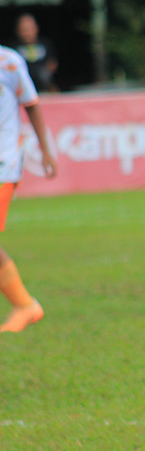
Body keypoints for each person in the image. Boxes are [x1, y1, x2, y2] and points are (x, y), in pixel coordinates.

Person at [1, 44, 58, 332]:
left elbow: (32, 104)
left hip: (3, 164)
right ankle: (25, 305)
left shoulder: (8, 62)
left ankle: (25, 305)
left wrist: (46, 150)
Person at [12, 14, 58, 93]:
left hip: (44, 88)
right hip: (22, 88)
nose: (27, 33)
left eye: (29, 29)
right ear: (18, 31)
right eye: (24, 29)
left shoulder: (46, 43)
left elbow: (52, 63)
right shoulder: (12, 49)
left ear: (36, 28)